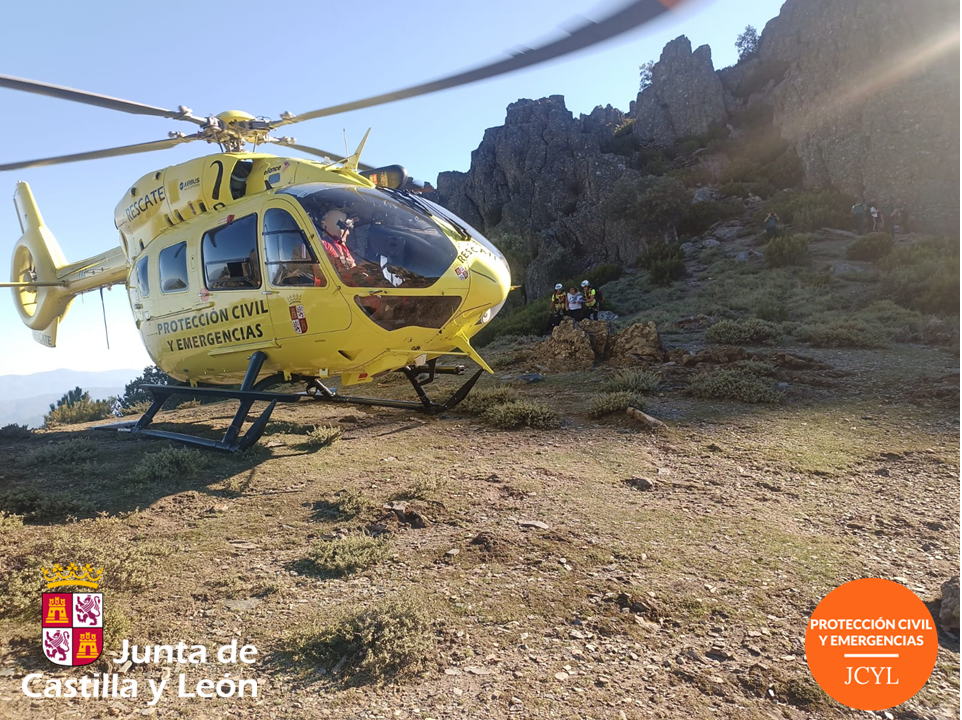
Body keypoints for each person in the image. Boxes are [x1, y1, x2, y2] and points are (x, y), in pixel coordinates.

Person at [319, 209, 357, 274]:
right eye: (345, 229)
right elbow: (322, 273)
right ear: (333, 226)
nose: (348, 233)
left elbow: (353, 266)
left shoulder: (342, 247)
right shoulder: (323, 245)